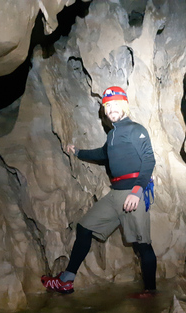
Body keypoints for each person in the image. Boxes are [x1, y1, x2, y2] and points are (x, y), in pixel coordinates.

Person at [41, 86, 157, 298]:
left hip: (133, 193)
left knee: (142, 243)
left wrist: (137, 191)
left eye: (115, 105)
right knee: (85, 227)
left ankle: (150, 291)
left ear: (124, 106)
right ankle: (67, 280)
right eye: (108, 106)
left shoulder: (135, 129)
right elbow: (102, 153)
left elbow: (149, 159)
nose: (111, 109)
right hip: (115, 195)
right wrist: (77, 153)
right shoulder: (112, 135)